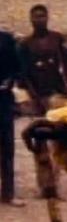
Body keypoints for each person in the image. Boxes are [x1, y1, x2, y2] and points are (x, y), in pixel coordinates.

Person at [19, 4, 67, 116]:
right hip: (38, 91)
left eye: (42, 16)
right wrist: (33, 95)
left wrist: (66, 85)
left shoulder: (56, 38)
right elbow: (24, 72)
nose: (39, 20)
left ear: (47, 18)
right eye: (36, 17)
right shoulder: (26, 44)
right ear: (31, 19)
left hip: (58, 89)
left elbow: (66, 64)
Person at [0, 30, 25, 207]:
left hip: (3, 100)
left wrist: (9, 81)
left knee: (7, 148)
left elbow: (18, 69)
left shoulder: (6, 40)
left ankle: (8, 193)